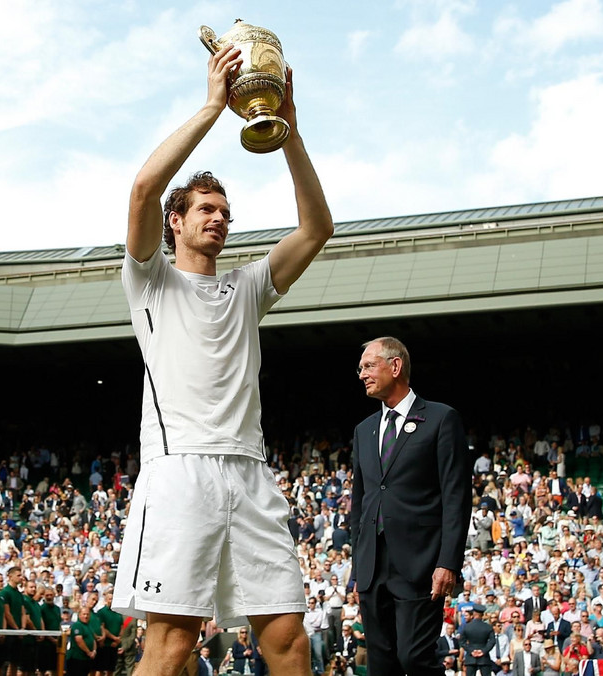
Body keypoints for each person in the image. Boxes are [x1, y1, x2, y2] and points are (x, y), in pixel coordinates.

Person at [112, 35, 333, 676]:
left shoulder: (247, 286)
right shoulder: (150, 278)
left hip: (251, 473)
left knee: (288, 638)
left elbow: (318, 228)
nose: (219, 218)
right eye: (205, 209)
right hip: (180, 472)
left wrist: (287, 131)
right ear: (175, 221)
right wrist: (214, 106)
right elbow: (143, 188)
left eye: (226, 212)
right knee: (172, 643)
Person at [350, 337, 471, 676]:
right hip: (373, 568)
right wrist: (358, 569)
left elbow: (455, 497)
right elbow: (360, 502)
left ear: (395, 366)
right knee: (381, 664)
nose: (362, 374)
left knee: (415, 657)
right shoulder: (364, 430)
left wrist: (448, 562)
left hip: (420, 564)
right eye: (360, 368)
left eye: (369, 366)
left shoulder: (440, 419)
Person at [460, 607, 497, 676]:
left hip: (471, 656)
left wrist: (471, 650)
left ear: (474, 614)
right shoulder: (488, 627)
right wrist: (483, 651)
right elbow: (492, 641)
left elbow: (462, 641)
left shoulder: (466, 627)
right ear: (482, 615)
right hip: (484, 657)